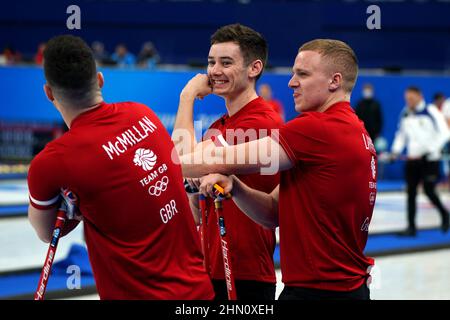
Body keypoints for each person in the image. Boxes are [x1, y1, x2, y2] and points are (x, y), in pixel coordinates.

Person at [180, 39, 376, 300]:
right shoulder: (353, 129)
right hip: (337, 287)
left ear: (334, 81)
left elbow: (209, 160)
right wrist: (236, 188)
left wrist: (186, 97)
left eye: (302, 75)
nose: (291, 82)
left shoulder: (317, 129)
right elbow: (273, 211)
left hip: (317, 290)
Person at [27, 35, 214, 300]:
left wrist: (78, 210)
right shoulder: (143, 114)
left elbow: (46, 231)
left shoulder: (51, 162)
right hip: (199, 293)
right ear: (100, 80)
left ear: (48, 93)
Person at [172, 24, 283, 300]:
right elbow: (191, 192)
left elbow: (178, 160)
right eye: (211, 62)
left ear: (254, 68)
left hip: (244, 275)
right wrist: (192, 186)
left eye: (226, 62)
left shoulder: (259, 121)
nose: (214, 71)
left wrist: (187, 97)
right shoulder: (219, 125)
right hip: (211, 268)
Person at [391, 86, 450, 237]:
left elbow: (445, 133)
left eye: (411, 98)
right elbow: (401, 136)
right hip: (412, 160)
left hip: (430, 160)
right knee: (411, 193)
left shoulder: (431, 111)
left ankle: (445, 215)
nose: (408, 101)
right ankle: (411, 227)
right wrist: (395, 151)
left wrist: (430, 150)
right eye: (407, 99)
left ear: (419, 96)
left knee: (429, 191)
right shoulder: (405, 113)